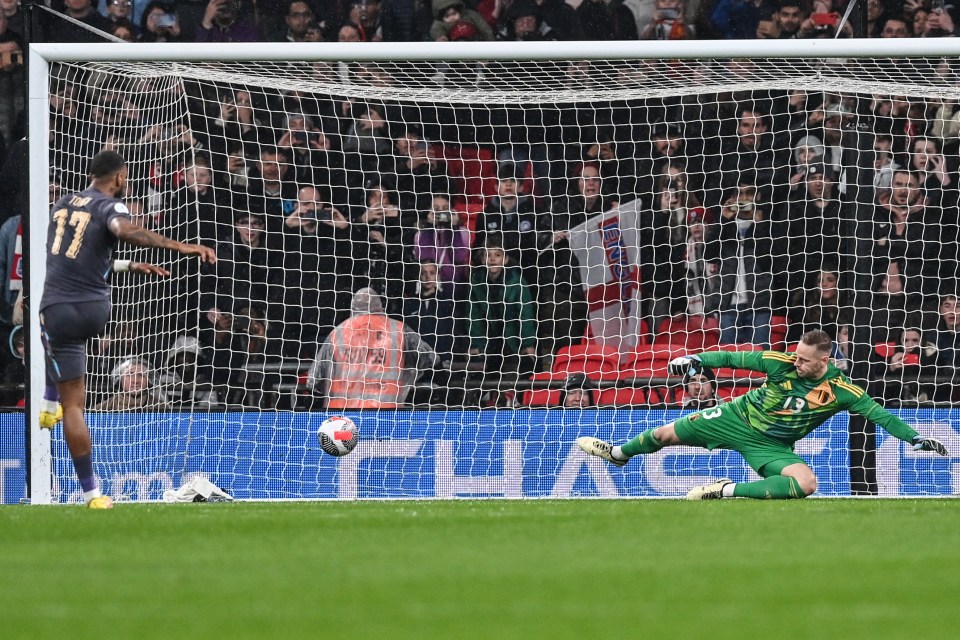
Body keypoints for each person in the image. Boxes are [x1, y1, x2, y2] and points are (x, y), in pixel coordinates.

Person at [39, 150, 216, 509]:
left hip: (57, 308)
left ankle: (52, 406)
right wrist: (180, 246)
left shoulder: (60, 205)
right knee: (72, 387)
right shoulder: (110, 206)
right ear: (119, 179)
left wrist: (125, 264)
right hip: (93, 310)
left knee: (70, 397)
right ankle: (51, 409)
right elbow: (123, 230)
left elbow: (72, 259)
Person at [578, 330, 948, 500]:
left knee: (806, 484)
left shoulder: (843, 391)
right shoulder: (780, 361)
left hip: (771, 445)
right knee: (663, 436)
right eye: (796, 355)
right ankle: (617, 454)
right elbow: (730, 358)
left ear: (824, 361)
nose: (796, 361)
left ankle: (723, 491)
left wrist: (914, 437)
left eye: (804, 359)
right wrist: (696, 360)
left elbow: (881, 415)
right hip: (735, 417)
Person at [307, 287, 438, 409]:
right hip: (385, 411)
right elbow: (430, 360)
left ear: (353, 305)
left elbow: (314, 380)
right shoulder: (397, 330)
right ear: (380, 305)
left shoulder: (339, 332)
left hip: (341, 413)